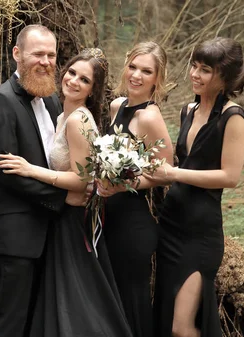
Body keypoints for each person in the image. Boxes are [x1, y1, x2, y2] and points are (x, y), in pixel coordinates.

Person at [0, 45, 134, 336]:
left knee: (77, 303)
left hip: (72, 220)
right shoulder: (60, 113)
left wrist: (31, 169)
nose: (74, 81)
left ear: (93, 90)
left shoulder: (79, 120)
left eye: (84, 80)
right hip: (60, 218)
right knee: (63, 301)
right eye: (72, 72)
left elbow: (81, 180)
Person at [0, 25, 93, 337]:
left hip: (53, 231)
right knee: (11, 319)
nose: (45, 61)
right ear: (17, 54)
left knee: (39, 319)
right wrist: (62, 198)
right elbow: (8, 173)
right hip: (17, 233)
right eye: (37, 54)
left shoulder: (53, 100)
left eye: (51, 55)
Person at [145, 37, 244, 337]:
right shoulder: (187, 110)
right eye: (194, 66)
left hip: (200, 233)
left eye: (205, 70)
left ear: (224, 77)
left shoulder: (233, 116)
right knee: (166, 318)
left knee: (183, 326)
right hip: (171, 224)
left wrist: (176, 173)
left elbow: (230, 177)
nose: (194, 74)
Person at [96, 41, 174, 337]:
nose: (137, 75)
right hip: (108, 217)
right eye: (133, 67)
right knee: (111, 302)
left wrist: (125, 184)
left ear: (157, 78)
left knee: (131, 302)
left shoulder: (150, 117)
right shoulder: (118, 106)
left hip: (132, 224)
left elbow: (166, 174)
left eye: (146, 71)